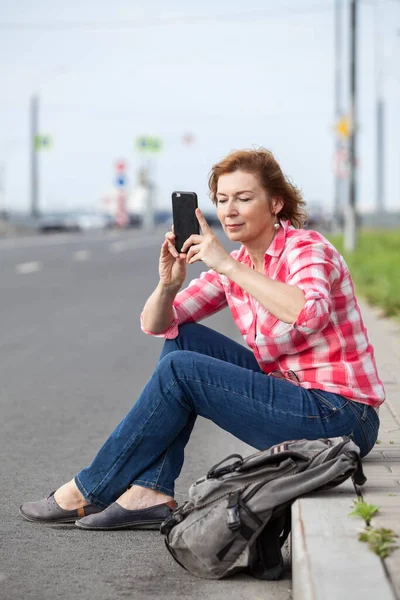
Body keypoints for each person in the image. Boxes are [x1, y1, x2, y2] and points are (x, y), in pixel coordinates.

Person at [20, 148, 385, 530]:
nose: (229, 210)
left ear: (276, 204)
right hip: (293, 396)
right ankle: (151, 490)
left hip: (342, 417)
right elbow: (157, 323)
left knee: (181, 370)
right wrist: (168, 284)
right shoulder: (237, 264)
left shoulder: (307, 248)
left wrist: (225, 264)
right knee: (183, 342)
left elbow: (308, 312)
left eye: (244, 199)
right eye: (222, 200)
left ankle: (89, 489)